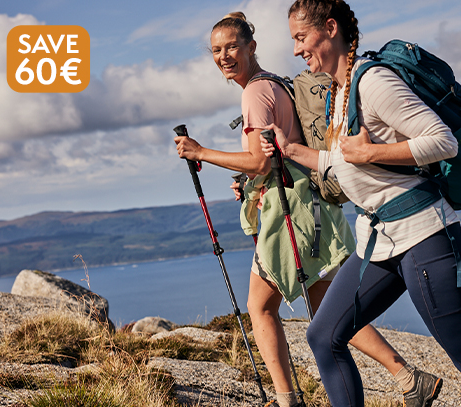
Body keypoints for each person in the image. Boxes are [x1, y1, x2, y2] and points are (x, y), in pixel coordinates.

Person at [260, 1, 461, 406]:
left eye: (301, 37)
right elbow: (342, 161)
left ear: (330, 28)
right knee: (324, 335)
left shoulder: (373, 82)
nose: (297, 49)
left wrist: (371, 154)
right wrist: (291, 150)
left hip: (425, 237)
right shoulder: (339, 92)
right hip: (381, 241)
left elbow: (442, 141)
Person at [175, 12, 442, 407]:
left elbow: (259, 162)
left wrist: (201, 152)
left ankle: (288, 400)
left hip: (290, 212)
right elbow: (270, 159)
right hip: (309, 205)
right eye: (216, 50)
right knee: (322, 305)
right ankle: (406, 377)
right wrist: (248, 182)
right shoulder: (275, 84)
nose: (224, 55)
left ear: (251, 47)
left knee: (262, 307)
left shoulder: (254, 92)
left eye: (232, 46)